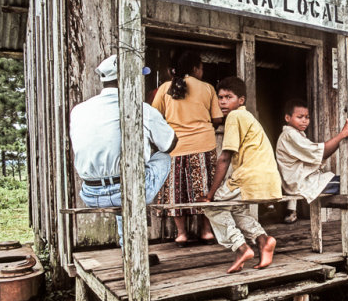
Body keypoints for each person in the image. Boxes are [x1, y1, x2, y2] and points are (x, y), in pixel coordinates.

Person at [70, 55, 177, 247]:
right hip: (127, 191)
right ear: (129, 76)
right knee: (160, 158)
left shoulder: (79, 110)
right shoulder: (141, 108)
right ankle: (135, 249)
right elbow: (169, 144)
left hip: (90, 193)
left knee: (125, 181)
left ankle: (126, 247)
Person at [198, 77, 281, 273]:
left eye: (229, 97)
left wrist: (210, 196)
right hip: (267, 180)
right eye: (220, 97)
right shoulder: (248, 117)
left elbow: (225, 158)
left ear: (241, 100)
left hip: (249, 179)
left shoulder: (235, 117)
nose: (223, 102)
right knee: (236, 210)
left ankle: (241, 247)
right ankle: (263, 240)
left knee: (212, 207)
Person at [275, 99, 348, 245]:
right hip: (301, 183)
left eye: (307, 117)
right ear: (288, 118)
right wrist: (342, 135)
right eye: (299, 117)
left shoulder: (297, 134)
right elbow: (322, 152)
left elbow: (319, 154)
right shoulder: (290, 135)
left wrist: (342, 136)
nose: (304, 121)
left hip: (306, 180)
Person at [151, 51, 222, 246]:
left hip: (175, 148)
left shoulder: (165, 88)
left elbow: (154, 117)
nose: (202, 71)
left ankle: (181, 234)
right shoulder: (207, 88)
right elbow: (217, 119)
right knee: (205, 190)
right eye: (201, 68)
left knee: (176, 192)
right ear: (195, 68)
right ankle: (206, 232)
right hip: (204, 146)